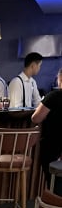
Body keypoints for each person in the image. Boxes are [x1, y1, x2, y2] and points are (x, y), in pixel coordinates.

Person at [31, 67, 62, 196]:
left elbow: (35, 118)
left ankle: (54, 205)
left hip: (54, 145)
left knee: (54, 182)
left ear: (60, 78)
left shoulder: (54, 96)